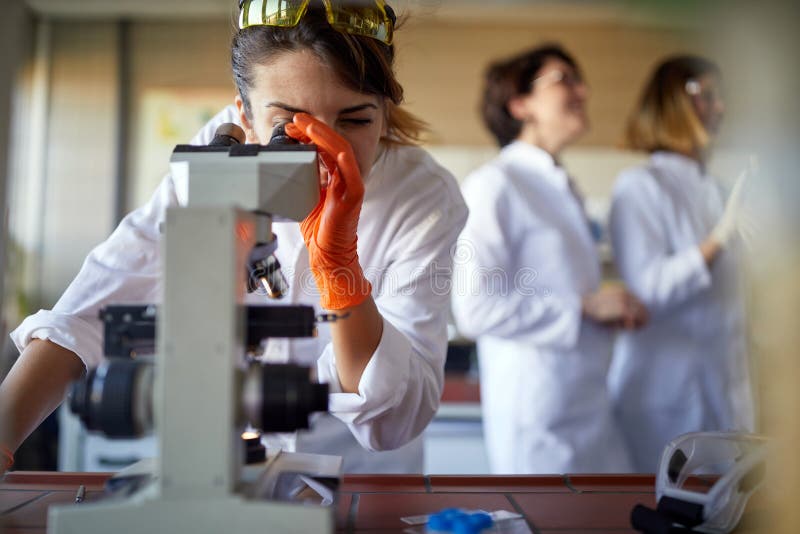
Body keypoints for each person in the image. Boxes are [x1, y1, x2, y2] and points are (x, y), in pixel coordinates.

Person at [0, 0, 467, 474]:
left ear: (385, 114)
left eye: (355, 121)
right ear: (243, 114)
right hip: (221, 465)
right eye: (290, 126)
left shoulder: (423, 195)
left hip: (359, 477)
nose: (328, 151)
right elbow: (89, 311)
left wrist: (338, 265)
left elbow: (396, 420)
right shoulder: (213, 157)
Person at [451, 44, 647, 474]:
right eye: (565, 80)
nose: (584, 91)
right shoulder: (495, 185)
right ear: (520, 104)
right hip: (538, 415)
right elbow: (474, 310)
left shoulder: (562, 187)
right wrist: (583, 307)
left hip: (590, 401)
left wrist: (604, 308)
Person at [607, 55, 755, 472]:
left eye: (720, 97)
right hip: (665, 395)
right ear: (671, 104)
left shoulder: (720, 189)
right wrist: (717, 241)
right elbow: (649, 288)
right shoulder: (640, 185)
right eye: (706, 96)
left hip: (724, 392)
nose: (720, 108)